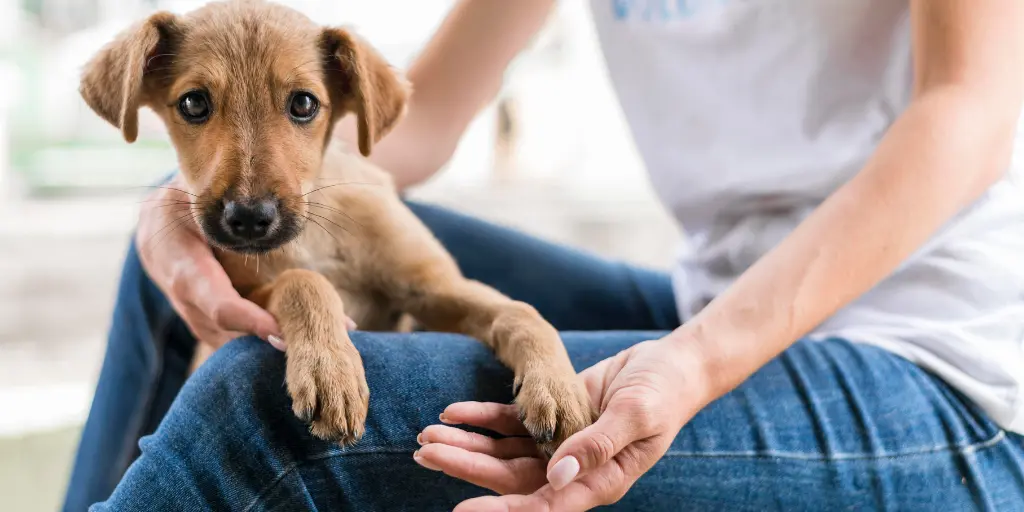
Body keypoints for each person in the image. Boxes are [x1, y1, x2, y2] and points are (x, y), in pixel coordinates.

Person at [64, 1, 1024, 510]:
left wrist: (694, 362)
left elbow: (969, 115)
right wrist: (190, 203)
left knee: (257, 400)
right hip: (712, 297)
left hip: (939, 361)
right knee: (173, 261)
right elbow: (423, 116)